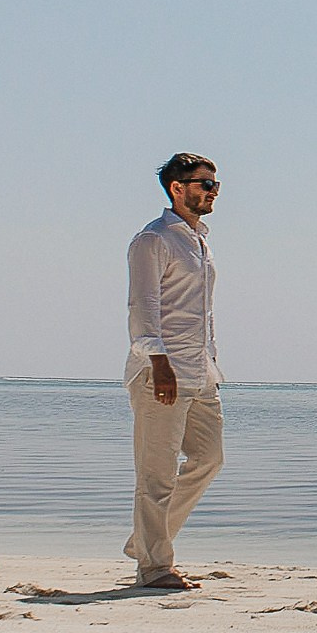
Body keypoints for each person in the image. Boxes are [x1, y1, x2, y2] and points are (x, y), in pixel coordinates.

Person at [123, 153, 225, 589]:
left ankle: (147, 540)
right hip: (161, 372)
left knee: (208, 459)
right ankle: (154, 566)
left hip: (201, 372)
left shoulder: (199, 240)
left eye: (216, 184)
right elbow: (142, 306)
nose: (213, 191)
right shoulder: (153, 240)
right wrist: (159, 364)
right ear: (176, 188)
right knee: (156, 473)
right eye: (204, 183)